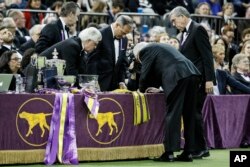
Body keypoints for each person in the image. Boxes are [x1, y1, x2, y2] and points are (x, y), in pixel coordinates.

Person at [134, 42, 201, 162]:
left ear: (137, 55)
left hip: (178, 75)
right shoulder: (159, 48)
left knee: (173, 113)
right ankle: (189, 152)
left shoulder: (145, 51)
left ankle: (168, 152)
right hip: (193, 73)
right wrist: (158, 89)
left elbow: (145, 74)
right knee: (189, 114)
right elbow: (161, 69)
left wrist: (141, 90)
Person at [169, 6, 215, 158]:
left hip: (200, 80)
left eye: (174, 20)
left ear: (182, 16)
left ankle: (200, 148)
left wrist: (209, 80)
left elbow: (207, 56)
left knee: (194, 113)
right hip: (191, 81)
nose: (173, 24)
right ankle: (200, 148)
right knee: (192, 113)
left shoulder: (198, 29)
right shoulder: (184, 33)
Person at [91, 15, 133, 91]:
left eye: (126, 34)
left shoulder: (124, 39)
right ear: (117, 25)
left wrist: (121, 81)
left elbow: (122, 62)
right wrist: (93, 81)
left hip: (115, 84)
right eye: (123, 32)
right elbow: (92, 60)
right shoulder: (100, 34)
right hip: (99, 82)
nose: (124, 36)